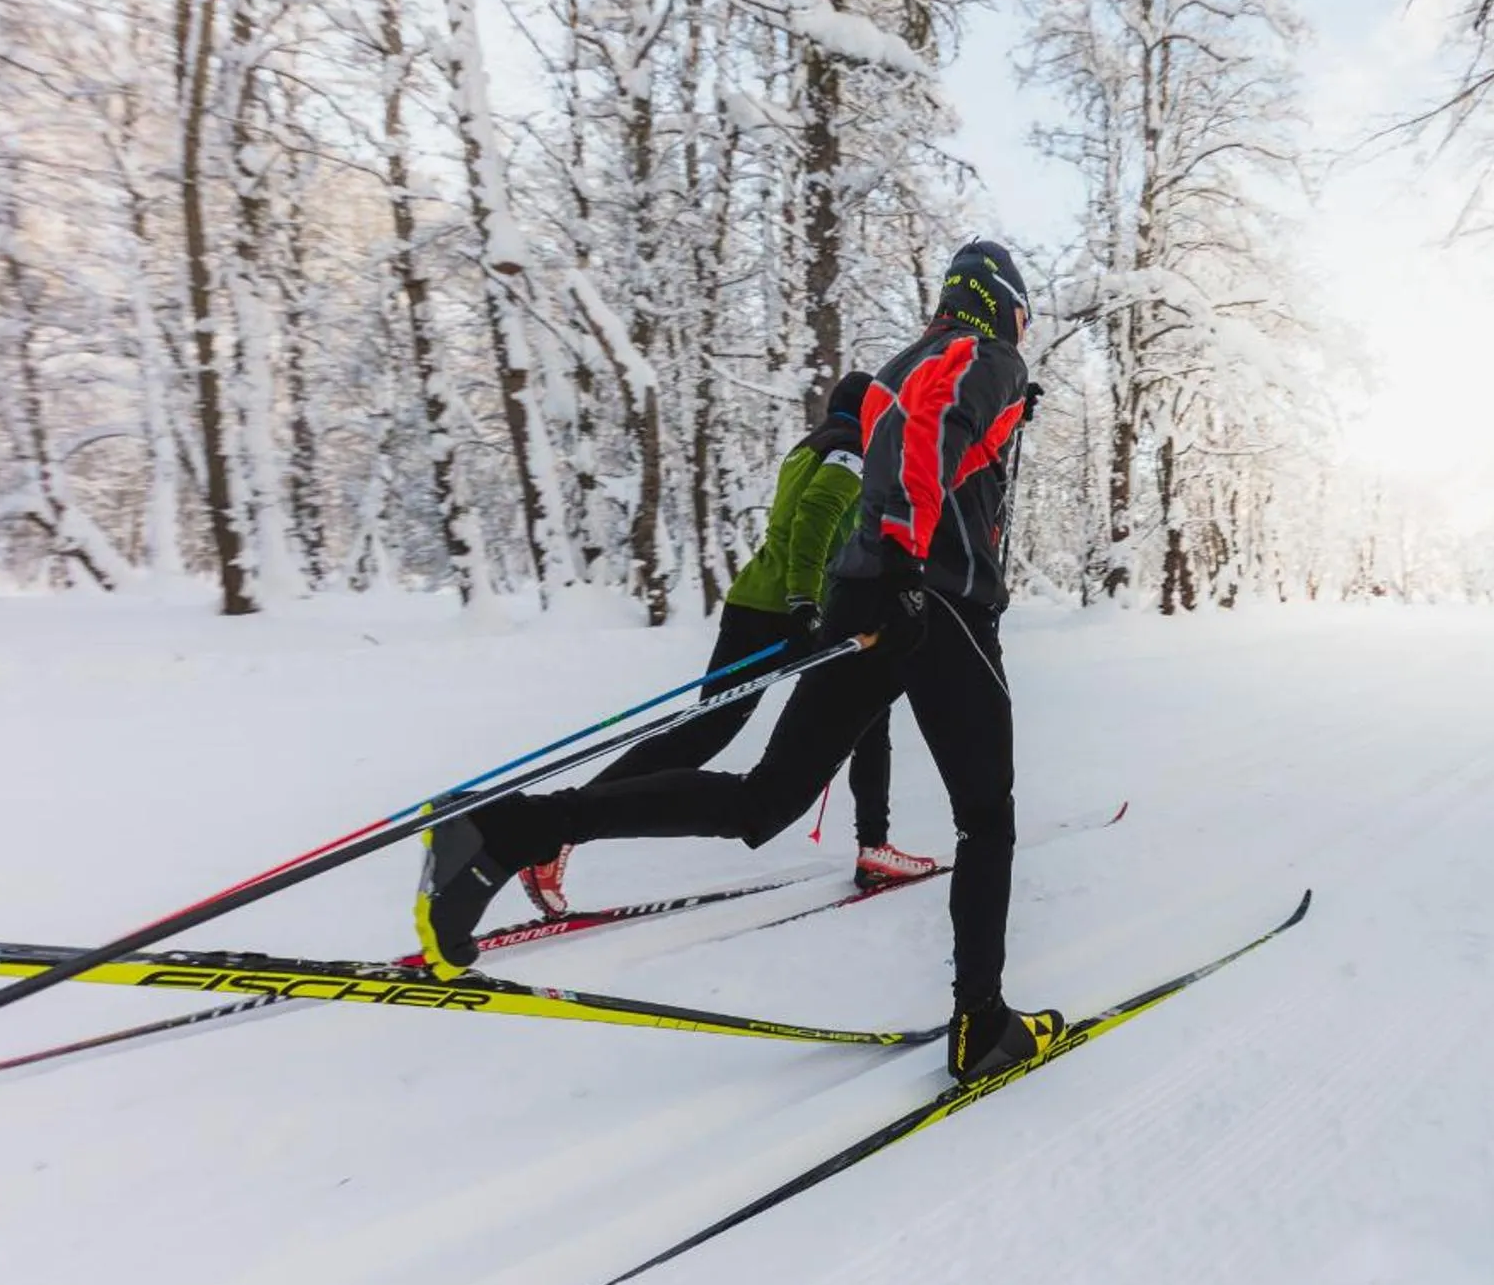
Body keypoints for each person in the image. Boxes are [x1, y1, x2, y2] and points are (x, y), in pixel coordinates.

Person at [416, 241, 1061, 1083]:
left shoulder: (904, 363)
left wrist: (903, 548)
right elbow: (930, 428)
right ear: (1003, 302)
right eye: (1022, 317)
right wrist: (908, 560)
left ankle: (506, 830)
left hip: (866, 594)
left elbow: (916, 437)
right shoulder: (986, 353)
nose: (1022, 334)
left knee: (764, 800)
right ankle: (981, 1022)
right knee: (985, 816)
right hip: (935, 601)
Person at [512, 371, 934, 918]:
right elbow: (814, 517)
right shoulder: (851, 450)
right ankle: (559, 829)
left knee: (851, 719)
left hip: (758, 605)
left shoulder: (812, 445)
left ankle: (874, 843)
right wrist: (805, 600)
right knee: (736, 729)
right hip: (789, 613)